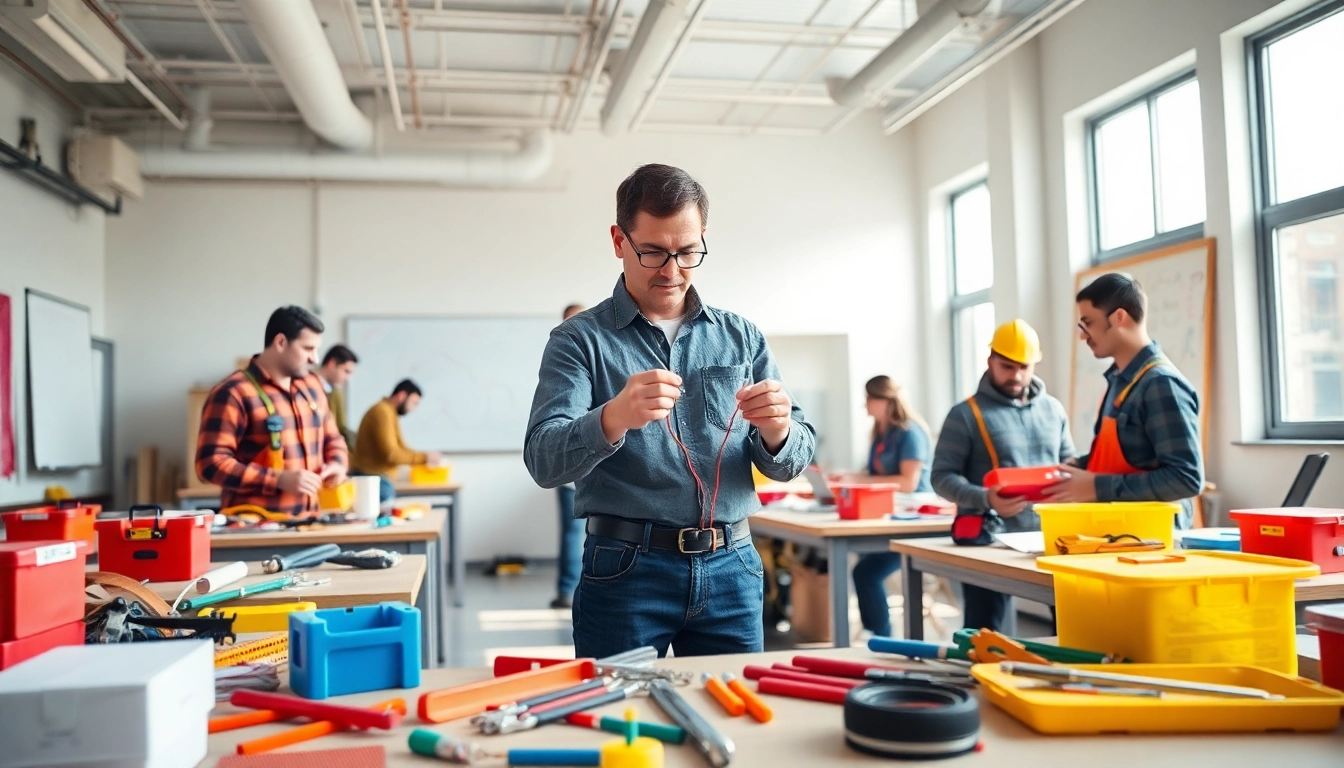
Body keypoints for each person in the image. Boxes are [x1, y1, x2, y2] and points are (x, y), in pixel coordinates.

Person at [524, 163, 816, 659]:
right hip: (625, 572)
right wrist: (613, 417)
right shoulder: (578, 341)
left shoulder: (741, 336)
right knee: (623, 717)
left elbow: (792, 458)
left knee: (737, 715)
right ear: (619, 240)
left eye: (687, 252)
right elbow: (543, 461)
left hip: (734, 567)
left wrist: (779, 431)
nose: (672, 270)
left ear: (703, 237)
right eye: (654, 251)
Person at [931, 319, 1074, 631]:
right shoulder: (965, 414)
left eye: (1024, 367)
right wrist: (985, 499)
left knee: (1072, 629)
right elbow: (941, 476)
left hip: (1052, 539)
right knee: (986, 636)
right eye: (1007, 367)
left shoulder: (1053, 410)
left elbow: (1068, 466)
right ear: (990, 361)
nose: (1017, 376)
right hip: (991, 542)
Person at [1043, 273, 1203, 527]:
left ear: (1119, 318)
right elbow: (1131, 457)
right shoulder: (1120, 381)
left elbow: (1186, 478)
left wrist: (1096, 486)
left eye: (1088, 324)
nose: (1083, 336)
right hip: (1117, 534)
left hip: (1153, 544)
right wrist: (1076, 467)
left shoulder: (1161, 384)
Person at [197, 306, 348, 515]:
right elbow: (209, 464)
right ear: (281, 342)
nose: (315, 358)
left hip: (310, 523)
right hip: (255, 531)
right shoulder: (233, 393)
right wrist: (277, 480)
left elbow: (334, 439)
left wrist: (337, 464)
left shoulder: (312, 387)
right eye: (307, 349)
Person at [832, 376, 932, 639]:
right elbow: (874, 474)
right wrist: (850, 476)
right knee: (865, 568)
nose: (865, 405)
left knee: (866, 572)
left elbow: (908, 483)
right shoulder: (880, 433)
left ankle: (880, 636)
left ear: (884, 401)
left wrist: (860, 479)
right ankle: (877, 633)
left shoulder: (910, 432)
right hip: (887, 515)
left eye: (868, 398)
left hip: (914, 520)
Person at [351, 379, 444, 504]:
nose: (413, 409)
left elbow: (402, 448)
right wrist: (425, 458)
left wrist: (426, 457)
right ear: (401, 396)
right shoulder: (382, 411)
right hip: (373, 480)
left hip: (378, 480)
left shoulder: (389, 412)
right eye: (414, 403)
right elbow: (392, 454)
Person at [551, 303, 587, 611]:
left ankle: (580, 591)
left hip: (605, 470)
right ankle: (567, 591)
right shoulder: (561, 357)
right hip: (572, 474)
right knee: (572, 534)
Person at [317, 344, 359, 448]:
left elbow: (341, 428)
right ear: (332, 363)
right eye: (346, 371)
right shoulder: (305, 386)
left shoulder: (336, 392)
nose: (347, 378)